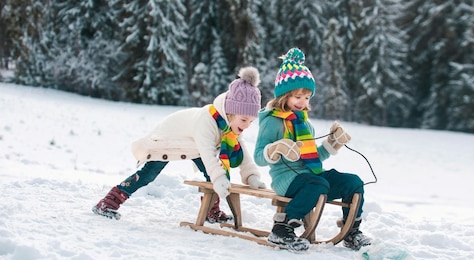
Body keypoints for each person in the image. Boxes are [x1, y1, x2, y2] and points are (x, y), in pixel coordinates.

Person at [93, 66, 266, 222]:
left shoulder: (230, 126)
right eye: (244, 119)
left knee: (210, 173)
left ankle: (211, 211)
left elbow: (242, 150)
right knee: (149, 174)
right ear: (230, 112)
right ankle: (108, 202)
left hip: (191, 144)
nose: (246, 126)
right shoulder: (207, 120)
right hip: (167, 139)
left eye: (251, 121)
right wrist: (219, 178)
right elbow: (207, 153)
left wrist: (252, 176)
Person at [254, 48, 372, 251]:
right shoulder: (272, 122)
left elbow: (312, 157)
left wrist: (332, 143)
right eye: (298, 97)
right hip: (286, 180)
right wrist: (276, 148)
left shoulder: (305, 124)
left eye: (307, 97)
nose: (303, 102)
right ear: (284, 95)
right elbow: (259, 157)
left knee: (352, 182)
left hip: (311, 177)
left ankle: (351, 231)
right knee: (317, 184)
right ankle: (281, 229)